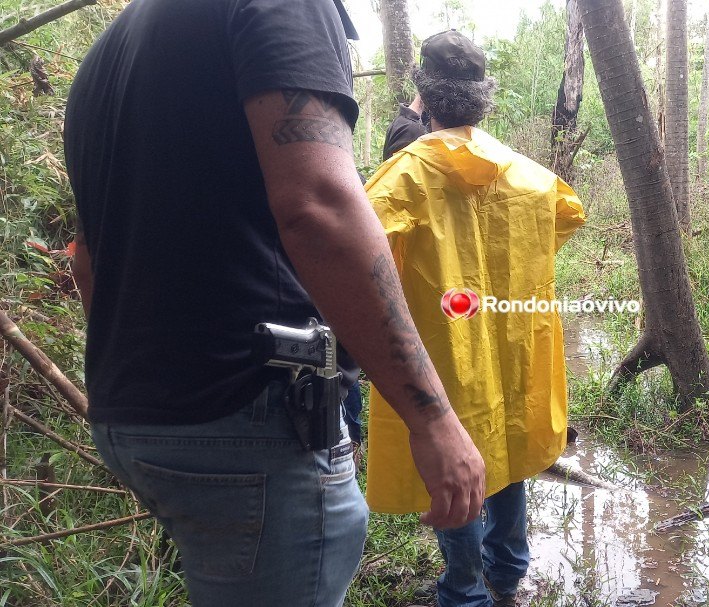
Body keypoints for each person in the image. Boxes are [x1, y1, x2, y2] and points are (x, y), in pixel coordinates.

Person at [63, 2, 485, 605]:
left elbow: (86, 256)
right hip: (250, 415)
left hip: (133, 414)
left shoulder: (110, 52)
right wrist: (434, 419)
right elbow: (318, 210)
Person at [363, 30, 587, 607]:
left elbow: (360, 252)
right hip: (512, 344)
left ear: (425, 96)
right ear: (483, 96)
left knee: (455, 463)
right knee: (507, 450)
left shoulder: (405, 174)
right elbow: (566, 215)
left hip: (443, 354)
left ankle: (464, 591)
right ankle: (508, 573)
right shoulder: (525, 173)